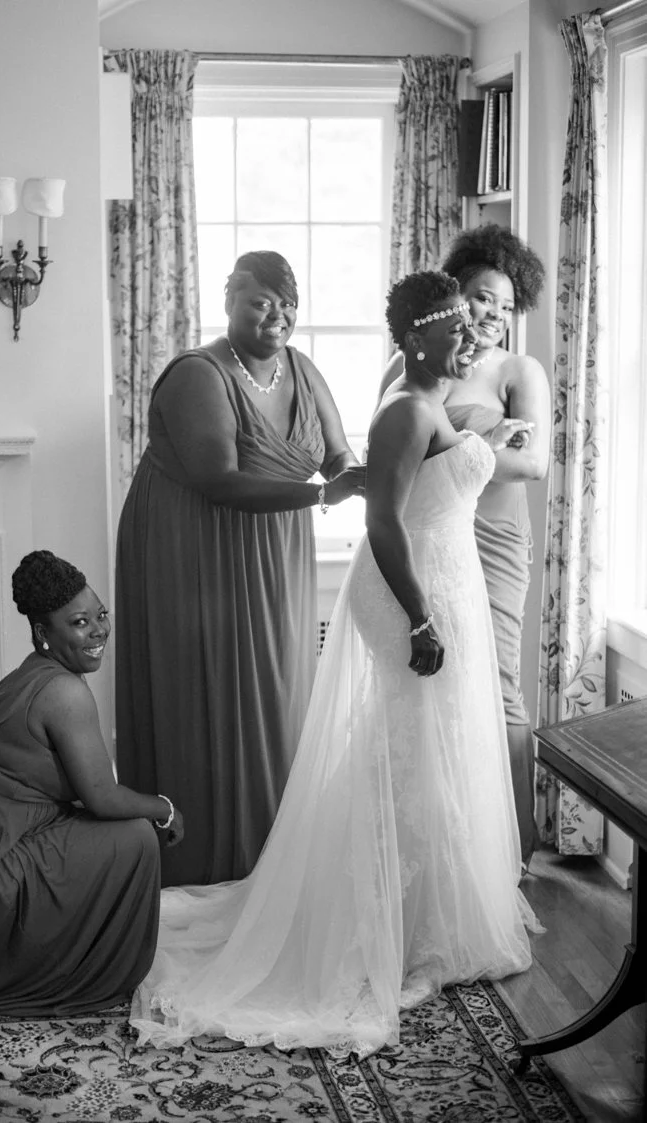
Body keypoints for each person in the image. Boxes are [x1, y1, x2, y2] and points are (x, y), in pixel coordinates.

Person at [128, 271, 539, 1058]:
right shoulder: (405, 409)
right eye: (454, 326)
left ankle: (428, 915)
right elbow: (382, 519)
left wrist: (487, 449)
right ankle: (385, 925)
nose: (471, 336)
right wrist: (420, 616)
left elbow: (417, 479)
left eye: (471, 324)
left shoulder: (426, 402)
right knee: (407, 751)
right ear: (415, 338)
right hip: (410, 591)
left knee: (436, 752)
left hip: (445, 579)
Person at [115, 250, 365, 887]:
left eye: (289, 305)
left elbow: (339, 456)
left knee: (278, 692)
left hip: (277, 548)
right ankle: (205, 859)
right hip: (197, 546)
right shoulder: (199, 374)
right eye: (261, 301)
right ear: (228, 299)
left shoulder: (302, 370)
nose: (278, 315)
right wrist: (322, 495)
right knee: (209, 694)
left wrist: (389, 472)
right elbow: (219, 481)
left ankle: (272, 856)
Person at [0, 549, 184, 1016]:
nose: (98, 630)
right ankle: (83, 970)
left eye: (100, 615)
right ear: (43, 633)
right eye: (79, 623)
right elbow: (102, 798)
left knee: (105, 828)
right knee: (136, 837)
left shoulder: (33, 672)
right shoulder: (64, 691)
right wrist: (165, 808)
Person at [375, 225, 550, 868]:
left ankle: (515, 846)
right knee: (434, 686)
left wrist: (460, 455)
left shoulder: (518, 371)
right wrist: (474, 449)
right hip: (427, 534)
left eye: (506, 305)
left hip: (493, 539)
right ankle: (442, 846)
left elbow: (533, 465)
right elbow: (388, 455)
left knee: (497, 684)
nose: (495, 315)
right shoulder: (416, 362)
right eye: (482, 298)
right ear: (456, 295)